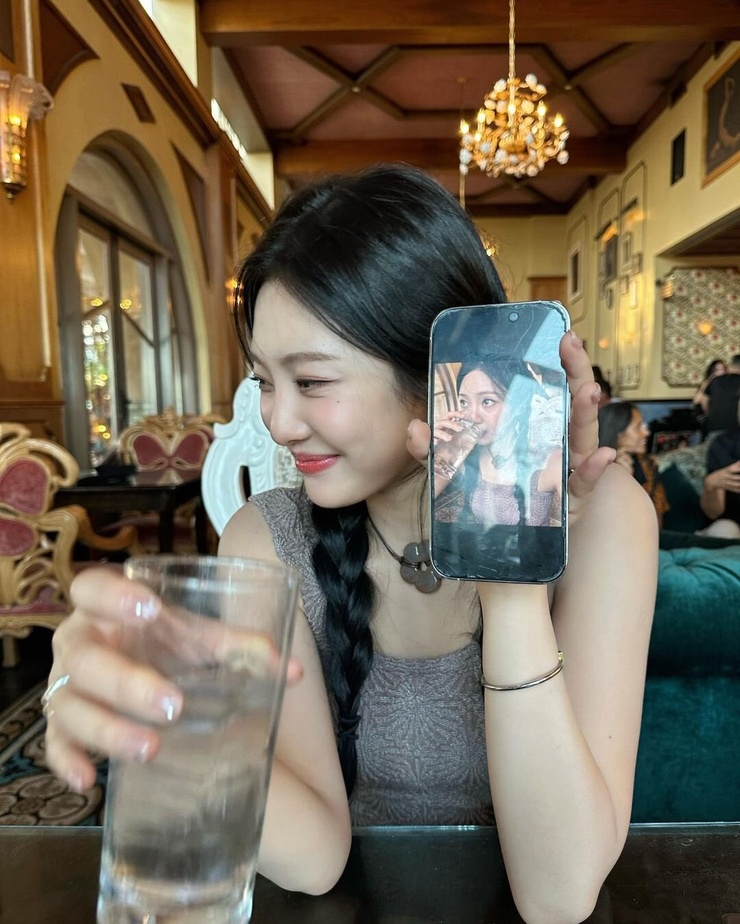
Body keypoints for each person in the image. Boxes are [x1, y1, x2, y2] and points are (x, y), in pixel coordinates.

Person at [43, 165, 657, 924]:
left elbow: (558, 895)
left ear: (433, 375)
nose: (278, 422)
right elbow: (314, 859)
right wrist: (170, 718)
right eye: (265, 381)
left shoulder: (603, 517)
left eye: (311, 381)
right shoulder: (267, 539)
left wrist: (511, 579)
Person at [433, 358, 562, 528]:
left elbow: (583, 528)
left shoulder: (549, 461)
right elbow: (416, 509)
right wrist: (442, 455)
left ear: (519, 405)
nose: (473, 417)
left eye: (487, 401)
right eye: (464, 402)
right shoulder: (466, 455)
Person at [597, 401, 670, 528]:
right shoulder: (593, 470)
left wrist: (631, 483)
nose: (646, 433)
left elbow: (656, 523)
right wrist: (622, 482)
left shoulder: (648, 465)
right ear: (617, 433)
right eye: (638, 427)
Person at [700, 401, 740, 539]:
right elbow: (713, 513)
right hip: (730, 525)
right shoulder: (723, 444)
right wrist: (710, 485)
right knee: (725, 530)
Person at [704, 354, 740, 433]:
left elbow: (703, 399)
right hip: (733, 430)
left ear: (731, 366)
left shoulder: (715, 380)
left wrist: (710, 416)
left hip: (713, 428)